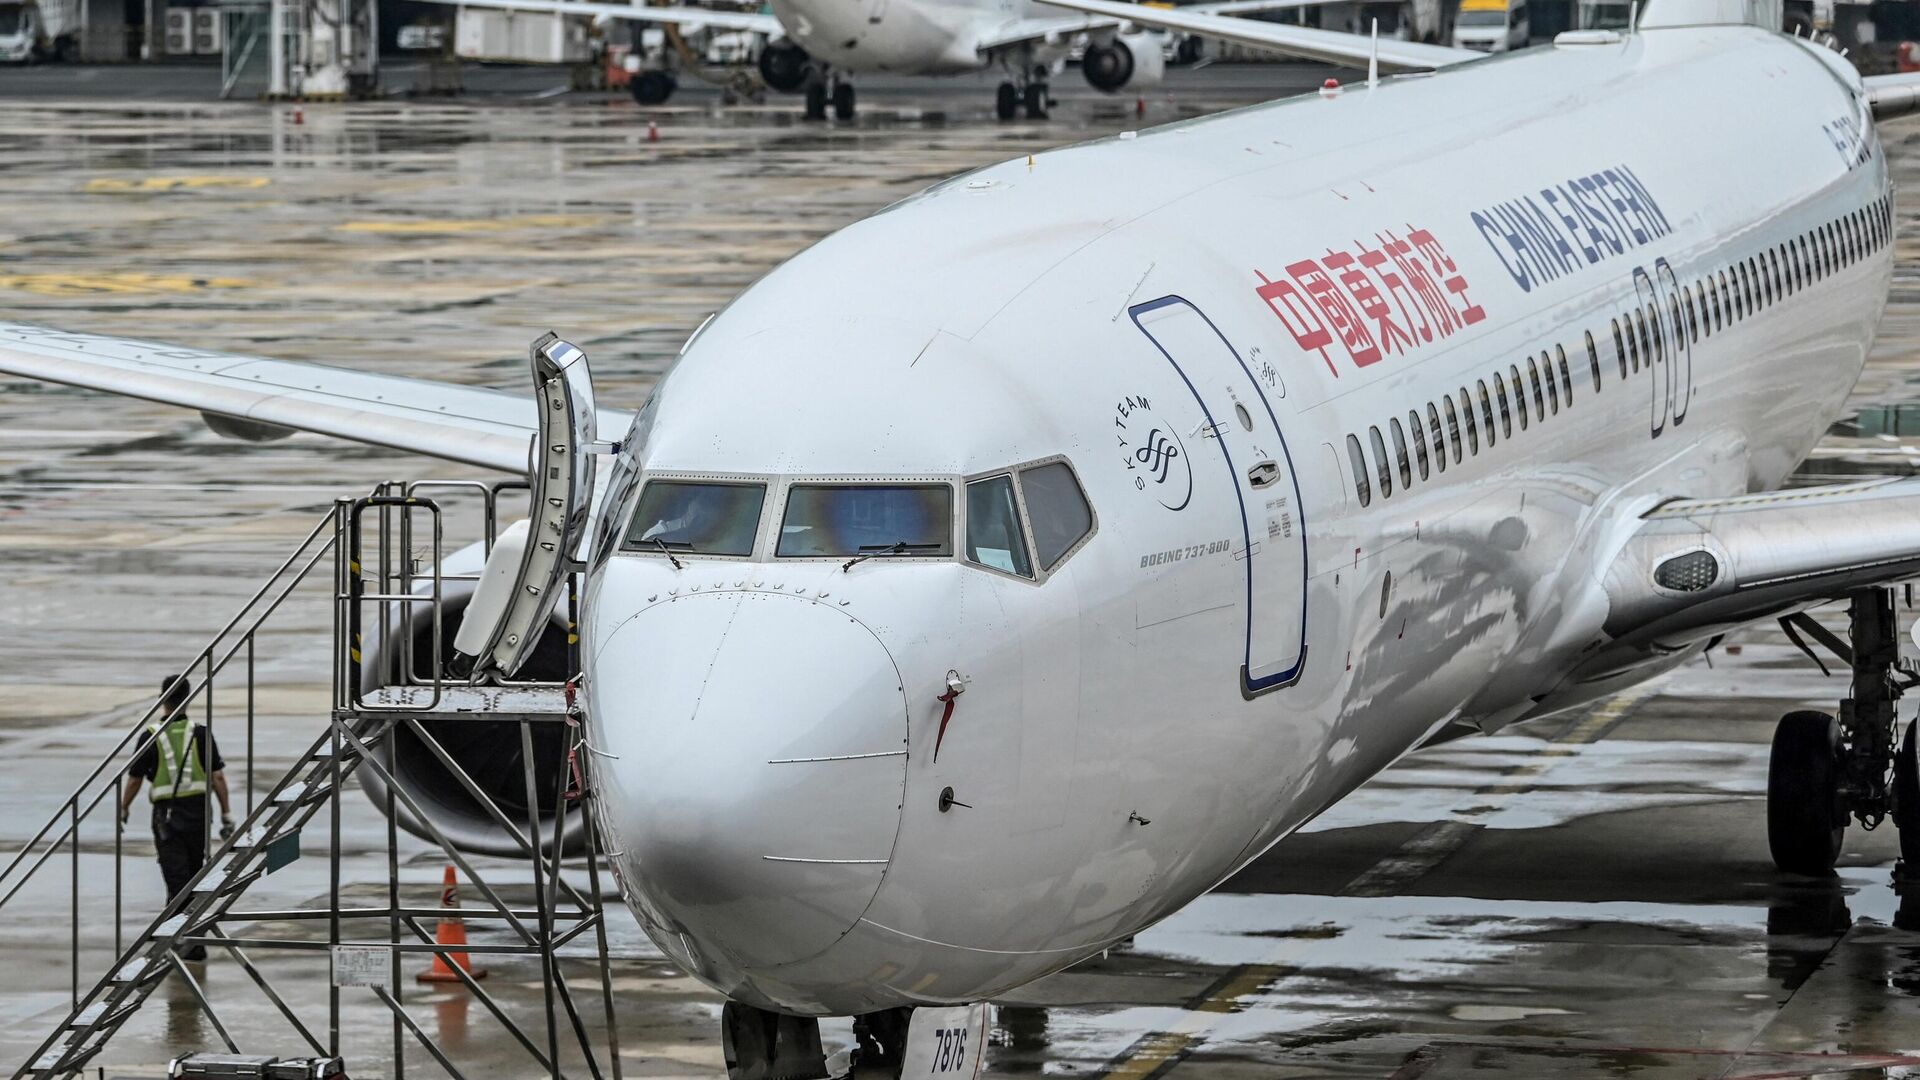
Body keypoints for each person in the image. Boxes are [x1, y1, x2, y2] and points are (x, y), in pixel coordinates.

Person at [118, 674, 234, 962]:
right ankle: (191, 942)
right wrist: (226, 814)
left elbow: (133, 779)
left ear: (163, 697)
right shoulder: (201, 733)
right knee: (193, 879)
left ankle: (180, 941)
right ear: (188, 697)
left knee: (176, 878)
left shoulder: (151, 735)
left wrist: (124, 808)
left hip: (166, 817)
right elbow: (217, 776)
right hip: (197, 814)